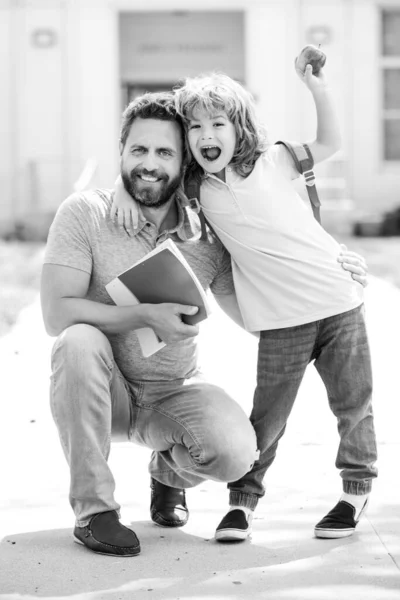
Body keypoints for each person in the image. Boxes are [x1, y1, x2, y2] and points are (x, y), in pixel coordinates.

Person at [111, 54, 376, 543]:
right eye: (194, 127)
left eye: (218, 123)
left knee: (352, 405)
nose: (206, 134)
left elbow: (332, 142)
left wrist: (316, 87)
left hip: (339, 303)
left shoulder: (274, 160)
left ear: (239, 127)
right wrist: (123, 192)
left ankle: (355, 489)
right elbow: (148, 179)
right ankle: (243, 502)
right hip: (281, 322)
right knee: (266, 420)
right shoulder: (194, 188)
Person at [40, 91, 260, 557]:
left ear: (184, 163)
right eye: (138, 150)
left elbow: (254, 318)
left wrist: (326, 272)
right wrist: (141, 314)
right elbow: (56, 314)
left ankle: (168, 476)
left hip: (172, 390)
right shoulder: (86, 213)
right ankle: (94, 511)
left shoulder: (207, 233)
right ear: (121, 151)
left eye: (164, 153)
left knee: (235, 452)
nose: (149, 164)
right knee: (76, 340)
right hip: (105, 390)